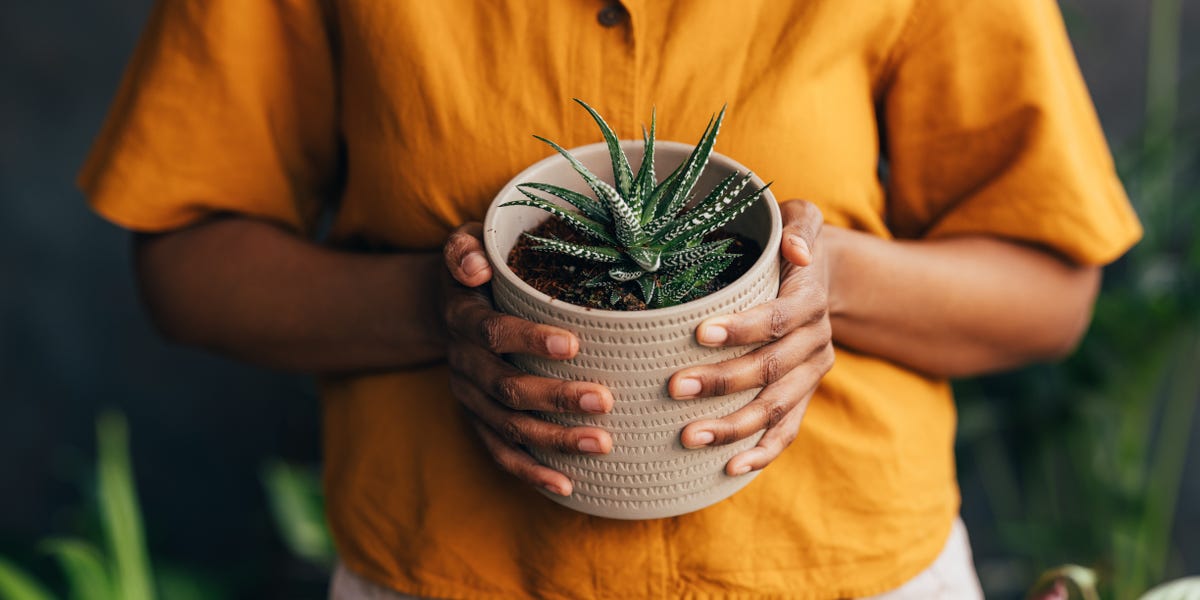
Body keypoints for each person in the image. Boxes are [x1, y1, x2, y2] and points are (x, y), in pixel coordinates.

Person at [80, 1, 1141, 598]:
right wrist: (437, 313)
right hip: (454, 574)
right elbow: (186, 261)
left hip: (839, 567)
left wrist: (833, 287)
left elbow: (1047, 293)